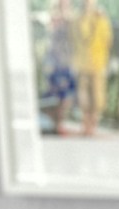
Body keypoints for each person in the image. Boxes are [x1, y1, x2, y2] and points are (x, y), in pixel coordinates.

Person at [72, 0, 112, 136]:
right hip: (83, 64)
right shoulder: (77, 20)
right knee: (84, 97)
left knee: (97, 96)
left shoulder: (102, 20)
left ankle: (92, 127)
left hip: (97, 64)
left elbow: (107, 41)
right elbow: (75, 40)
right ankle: (85, 126)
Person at [45, 0, 76, 135]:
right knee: (56, 95)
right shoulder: (54, 18)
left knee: (67, 95)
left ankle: (60, 123)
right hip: (55, 62)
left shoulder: (72, 20)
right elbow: (51, 40)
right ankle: (57, 125)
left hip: (67, 62)